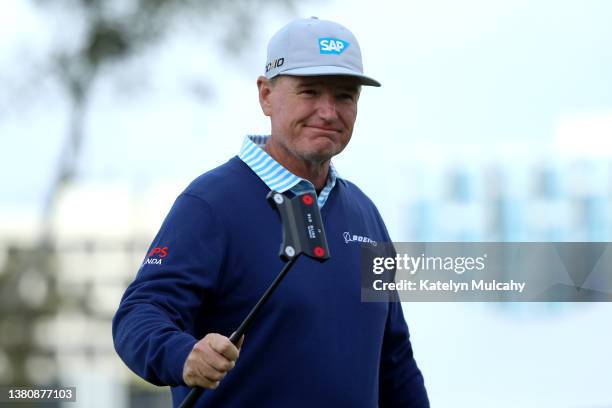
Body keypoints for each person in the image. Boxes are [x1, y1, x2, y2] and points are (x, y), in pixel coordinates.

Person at [112, 17, 429, 407]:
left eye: (344, 96)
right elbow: (139, 314)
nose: (328, 112)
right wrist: (183, 355)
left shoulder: (365, 215)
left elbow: (394, 362)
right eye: (309, 92)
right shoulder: (211, 204)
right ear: (265, 95)